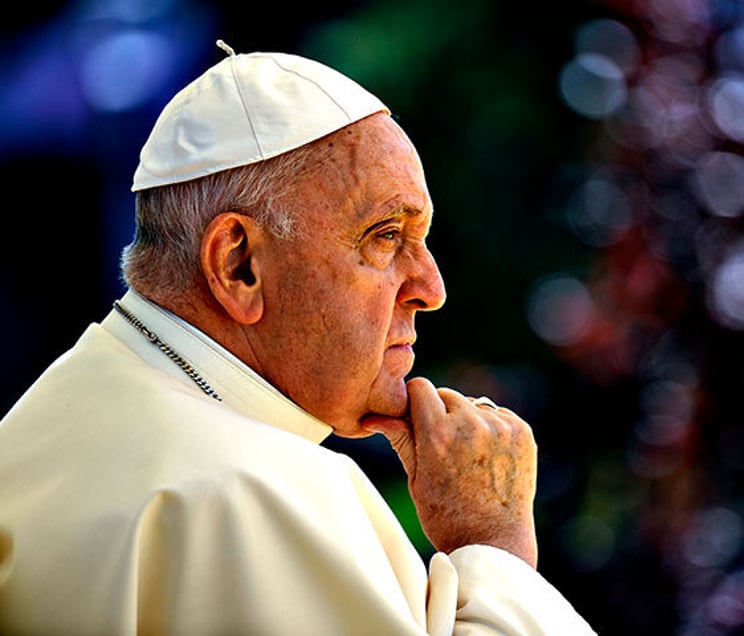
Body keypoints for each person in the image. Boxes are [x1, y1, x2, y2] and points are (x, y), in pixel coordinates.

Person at [0, 40, 596, 635]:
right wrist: (494, 548)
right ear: (239, 266)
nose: (430, 287)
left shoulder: (40, 420)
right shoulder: (263, 495)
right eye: (386, 236)